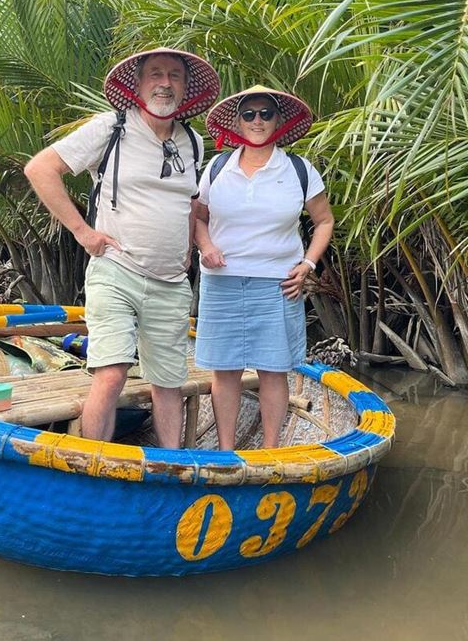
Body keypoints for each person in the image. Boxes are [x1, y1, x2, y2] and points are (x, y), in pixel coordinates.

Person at [24, 48, 220, 447]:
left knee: (169, 383)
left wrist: (186, 250)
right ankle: (94, 466)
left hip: (171, 283)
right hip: (117, 271)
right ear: (138, 84)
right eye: (155, 74)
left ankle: (172, 466)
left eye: (174, 76)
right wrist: (83, 231)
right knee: (111, 372)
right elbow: (40, 168)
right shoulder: (110, 128)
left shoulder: (193, 143)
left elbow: (190, 202)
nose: (164, 83)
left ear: (186, 88)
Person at [194, 85, 334, 450]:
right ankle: (226, 451)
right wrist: (206, 246)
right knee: (225, 372)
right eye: (249, 114)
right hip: (221, 282)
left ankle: (271, 450)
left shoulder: (299, 169)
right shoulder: (217, 166)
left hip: (279, 283)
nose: (258, 121)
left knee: (274, 370)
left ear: (279, 120)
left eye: (266, 113)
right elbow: (198, 217)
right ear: (238, 123)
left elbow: (324, 222)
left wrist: (307, 264)